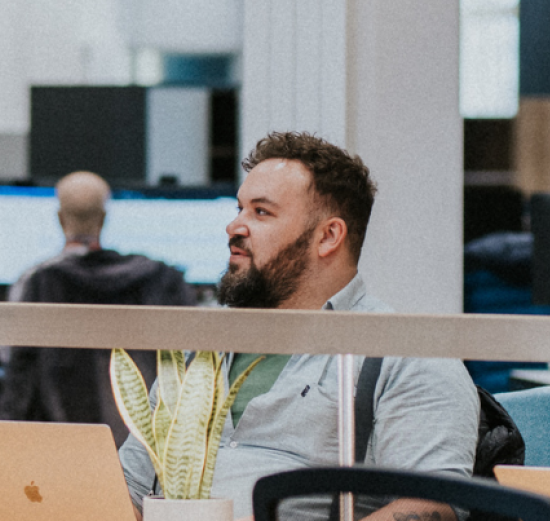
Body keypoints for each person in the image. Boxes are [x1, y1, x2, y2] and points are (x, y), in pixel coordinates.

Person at [118, 132, 480, 521]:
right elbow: (131, 487)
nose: (234, 227)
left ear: (328, 236)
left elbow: (432, 506)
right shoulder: (201, 351)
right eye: (239, 208)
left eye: (261, 212)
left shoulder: (405, 355)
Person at [0, 171, 196, 444]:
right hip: (143, 443)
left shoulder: (34, 283)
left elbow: (14, 366)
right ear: (104, 218)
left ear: (59, 218)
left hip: (60, 442)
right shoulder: (159, 277)